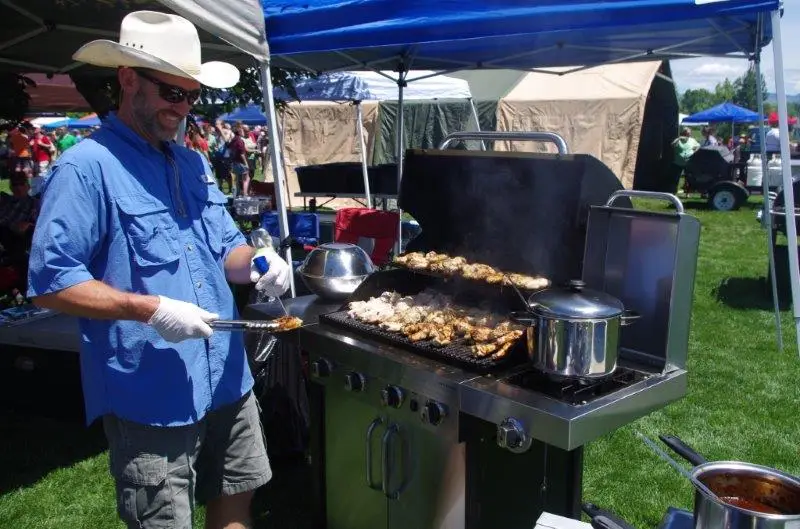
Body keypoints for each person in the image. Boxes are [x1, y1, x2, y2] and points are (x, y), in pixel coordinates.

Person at [27, 11, 292, 529]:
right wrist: (149, 309)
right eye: (173, 93)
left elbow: (226, 251)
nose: (184, 108)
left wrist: (260, 262)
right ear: (128, 80)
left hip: (226, 376)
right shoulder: (86, 167)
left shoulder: (191, 161)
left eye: (192, 96)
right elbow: (51, 284)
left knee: (237, 497)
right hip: (152, 392)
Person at [671, 127, 699, 193]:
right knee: (676, 178)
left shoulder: (692, 140)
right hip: (678, 162)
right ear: (683, 133)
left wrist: (695, 151)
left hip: (688, 162)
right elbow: (672, 145)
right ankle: (673, 191)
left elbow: (698, 145)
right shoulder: (678, 140)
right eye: (686, 134)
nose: (688, 135)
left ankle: (687, 192)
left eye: (689, 134)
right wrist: (679, 138)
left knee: (688, 178)